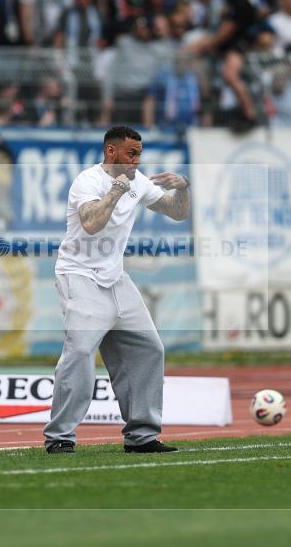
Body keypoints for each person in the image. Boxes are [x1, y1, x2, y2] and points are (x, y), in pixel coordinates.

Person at [44, 126, 190, 454]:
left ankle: (141, 436)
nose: (137, 161)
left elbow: (177, 212)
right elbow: (91, 223)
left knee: (149, 347)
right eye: (131, 154)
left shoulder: (137, 180)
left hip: (116, 278)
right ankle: (60, 436)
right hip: (79, 276)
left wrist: (183, 189)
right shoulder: (88, 181)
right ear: (111, 152)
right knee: (80, 351)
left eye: (139, 154)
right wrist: (116, 191)